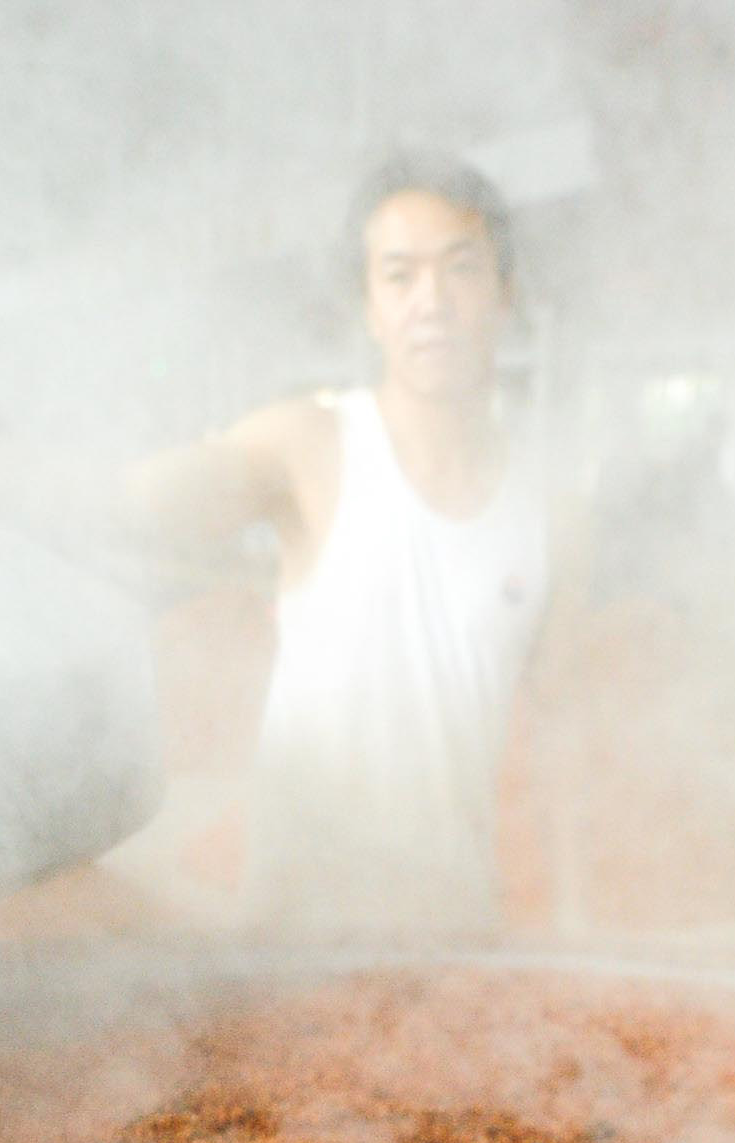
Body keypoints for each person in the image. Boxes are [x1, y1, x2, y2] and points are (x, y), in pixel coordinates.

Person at [124, 154, 554, 931]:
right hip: (294, 946)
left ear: (505, 290)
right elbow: (123, 506)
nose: (432, 303)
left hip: (457, 939)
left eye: (460, 270)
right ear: (369, 307)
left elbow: (565, 764)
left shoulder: (553, 511)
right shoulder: (311, 446)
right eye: (399, 276)